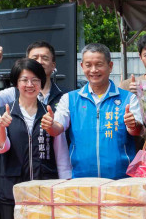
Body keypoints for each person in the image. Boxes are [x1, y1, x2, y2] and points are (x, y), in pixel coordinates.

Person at [0, 40, 67, 219]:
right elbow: (0, 147)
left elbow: (61, 154)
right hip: (13, 191)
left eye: (35, 80)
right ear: (16, 84)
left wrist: (65, 185)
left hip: (45, 190)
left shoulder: (50, 113)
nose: (29, 84)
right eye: (24, 80)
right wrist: (1, 127)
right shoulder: (4, 112)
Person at [56, 43, 139, 179]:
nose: (94, 70)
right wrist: (49, 125)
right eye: (88, 65)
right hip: (81, 180)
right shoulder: (70, 99)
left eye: (99, 64)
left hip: (120, 180)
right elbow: (57, 128)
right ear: (82, 66)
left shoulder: (128, 98)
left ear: (110, 66)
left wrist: (133, 125)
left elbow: (136, 130)